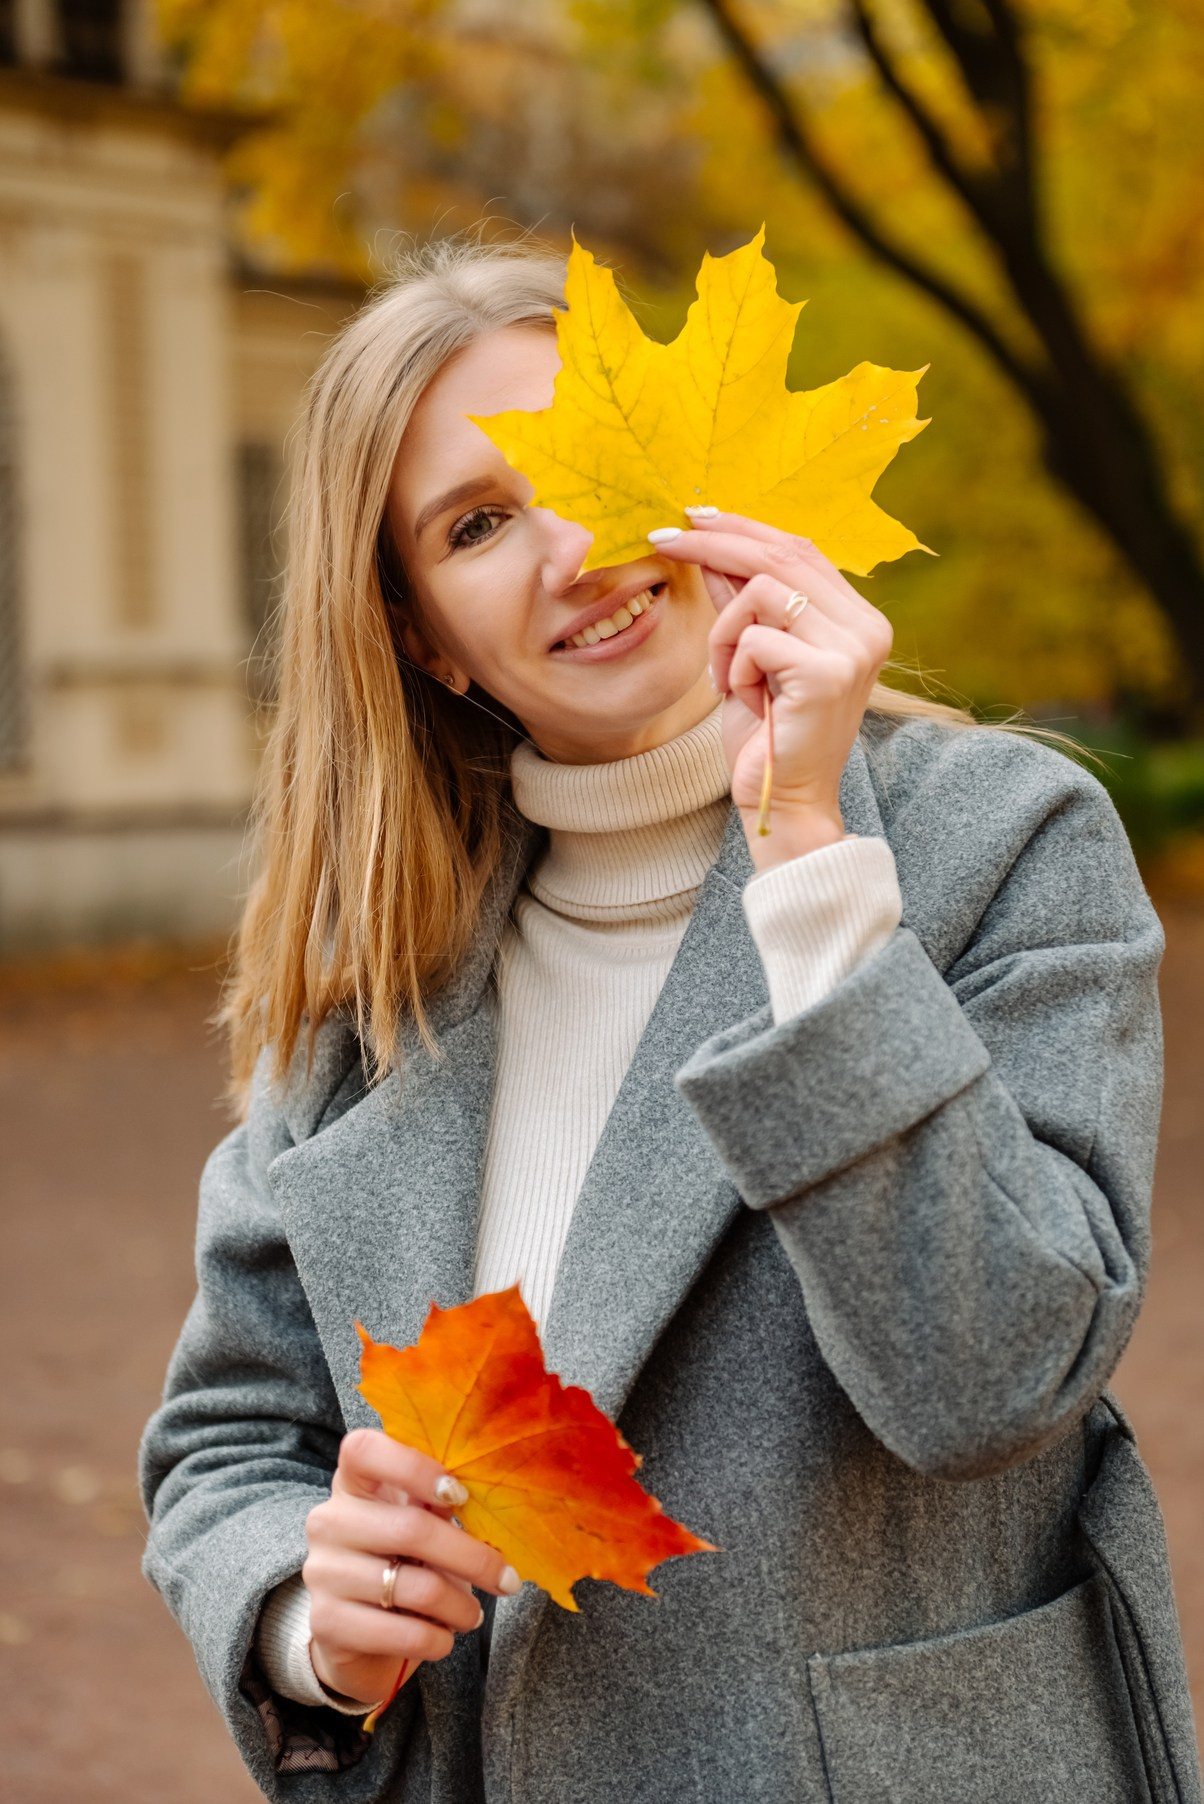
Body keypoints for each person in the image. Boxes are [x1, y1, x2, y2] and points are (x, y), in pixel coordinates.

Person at [139, 237, 1201, 1804]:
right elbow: (231, 1440)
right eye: (479, 522)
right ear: (425, 634)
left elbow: (998, 1377)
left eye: (598, 460)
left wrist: (812, 866)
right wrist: (310, 1618)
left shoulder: (994, 842)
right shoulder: (380, 981)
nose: (573, 543)